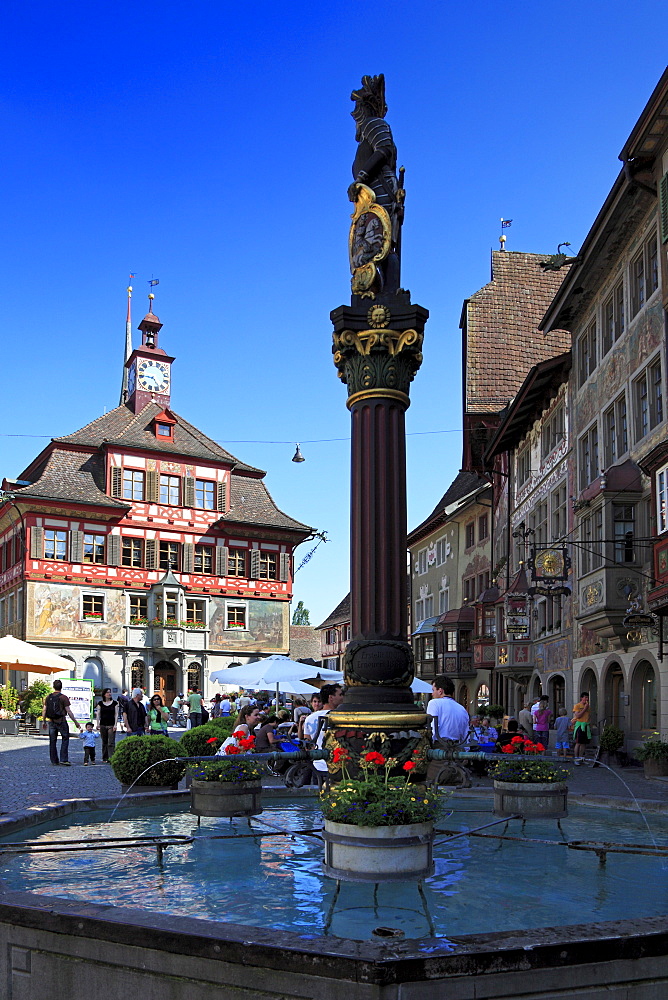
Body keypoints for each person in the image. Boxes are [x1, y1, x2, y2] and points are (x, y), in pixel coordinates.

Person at [303, 684, 345, 789]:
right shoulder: (340, 717)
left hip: (317, 766)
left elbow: (307, 743)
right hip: (338, 766)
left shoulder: (310, 718)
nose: (342, 697)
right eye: (340, 694)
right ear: (331, 697)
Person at [41, 679, 82, 766]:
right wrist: (76, 722)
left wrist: (44, 721)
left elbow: (44, 710)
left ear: (53, 686)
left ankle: (54, 761)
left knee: (52, 741)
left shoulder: (48, 697)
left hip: (51, 721)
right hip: (61, 721)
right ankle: (63, 759)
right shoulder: (63, 697)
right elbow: (69, 711)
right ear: (61, 687)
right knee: (65, 739)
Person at [427, 676, 470, 744]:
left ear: (440, 691)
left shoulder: (434, 703)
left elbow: (433, 727)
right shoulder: (461, 708)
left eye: (433, 690)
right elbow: (465, 734)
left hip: (439, 746)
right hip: (457, 747)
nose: (432, 694)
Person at [95, 687, 118, 763]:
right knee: (104, 742)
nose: (109, 694)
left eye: (110, 692)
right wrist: (97, 724)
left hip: (111, 724)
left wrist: (115, 724)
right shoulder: (100, 703)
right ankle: (105, 758)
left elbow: (116, 714)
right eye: (108, 692)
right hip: (103, 724)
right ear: (104, 694)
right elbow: (98, 714)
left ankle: (111, 757)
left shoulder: (115, 703)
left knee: (111, 742)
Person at [572, 692, 591, 764]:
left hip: (586, 725)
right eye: (585, 697)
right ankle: (576, 759)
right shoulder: (577, 706)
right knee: (578, 743)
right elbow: (578, 716)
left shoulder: (588, 706)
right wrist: (584, 709)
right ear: (581, 698)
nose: (586, 699)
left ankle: (581, 758)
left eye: (587, 697)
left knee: (583, 743)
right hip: (580, 726)